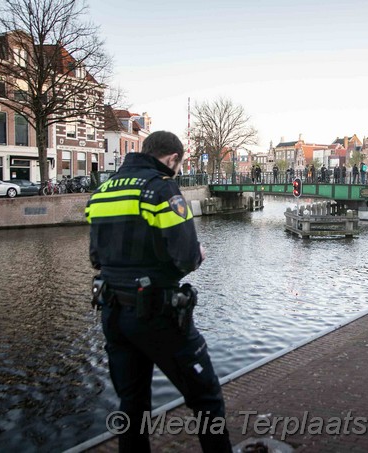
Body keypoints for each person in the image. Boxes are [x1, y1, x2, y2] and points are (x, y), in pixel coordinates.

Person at [85, 131, 232, 453]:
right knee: (206, 397)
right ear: (172, 159)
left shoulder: (102, 191)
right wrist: (198, 255)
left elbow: (96, 257)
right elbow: (186, 256)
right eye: (178, 165)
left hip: (112, 312)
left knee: (132, 402)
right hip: (156, 313)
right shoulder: (160, 189)